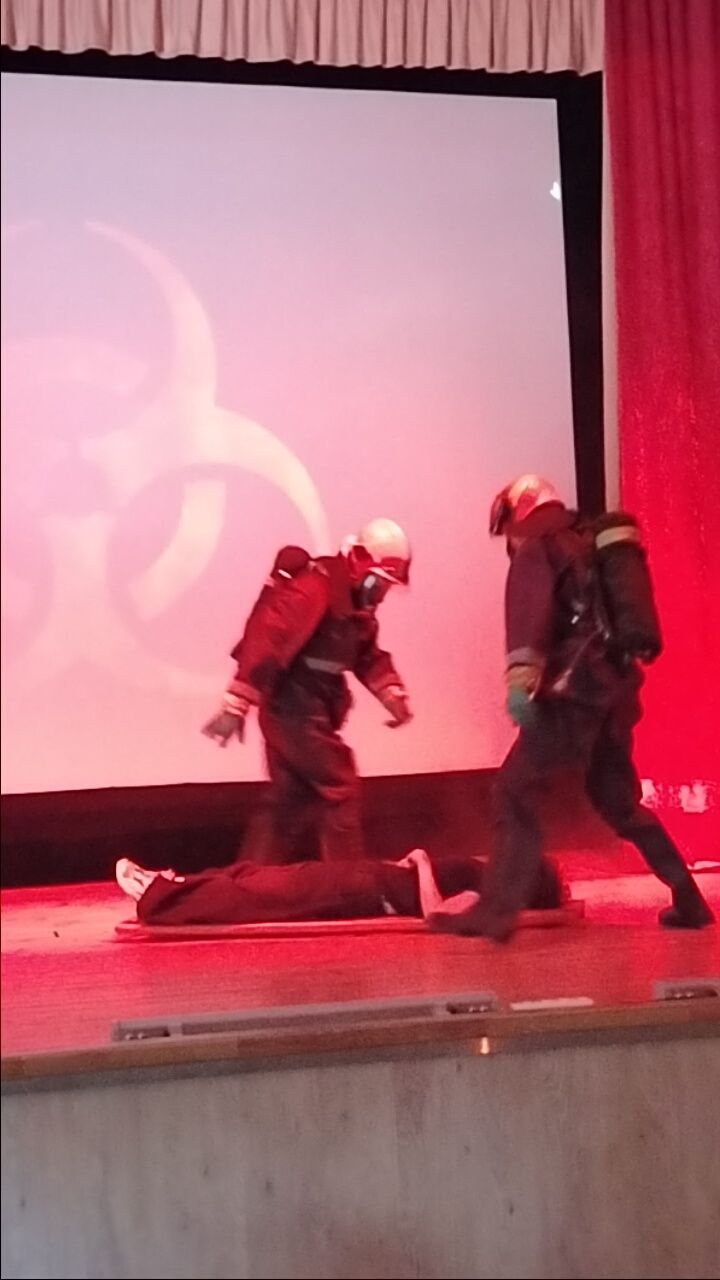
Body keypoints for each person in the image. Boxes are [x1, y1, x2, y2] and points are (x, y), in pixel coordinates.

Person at [430, 475, 714, 941]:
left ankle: (495, 913)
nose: (510, 538)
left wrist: (521, 683)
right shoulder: (587, 541)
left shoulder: (539, 545)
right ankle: (688, 898)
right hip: (616, 693)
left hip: (574, 695)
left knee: (515, 791)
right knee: (619, 803)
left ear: (520, 509)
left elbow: (529, 617)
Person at [202, 520, 413, 863]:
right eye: (379, 582)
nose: (381, 593)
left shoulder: (352, 603)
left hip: (303, 709)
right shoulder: (314, 589)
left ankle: (251, 879)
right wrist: (235, 705)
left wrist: (391, 692)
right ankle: (346, 881)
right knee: (340, 787)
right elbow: (268, 640)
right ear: (359, 561)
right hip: (294, 709)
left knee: (288, 802)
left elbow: (365, 654)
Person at [115, 849, 568, 927]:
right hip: (370, 880)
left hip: (368, 894)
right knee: (263, 876)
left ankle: (158, 896)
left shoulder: (488, 897)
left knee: (273, 893)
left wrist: (422, 862)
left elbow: (436, 914)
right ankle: (179, 883)